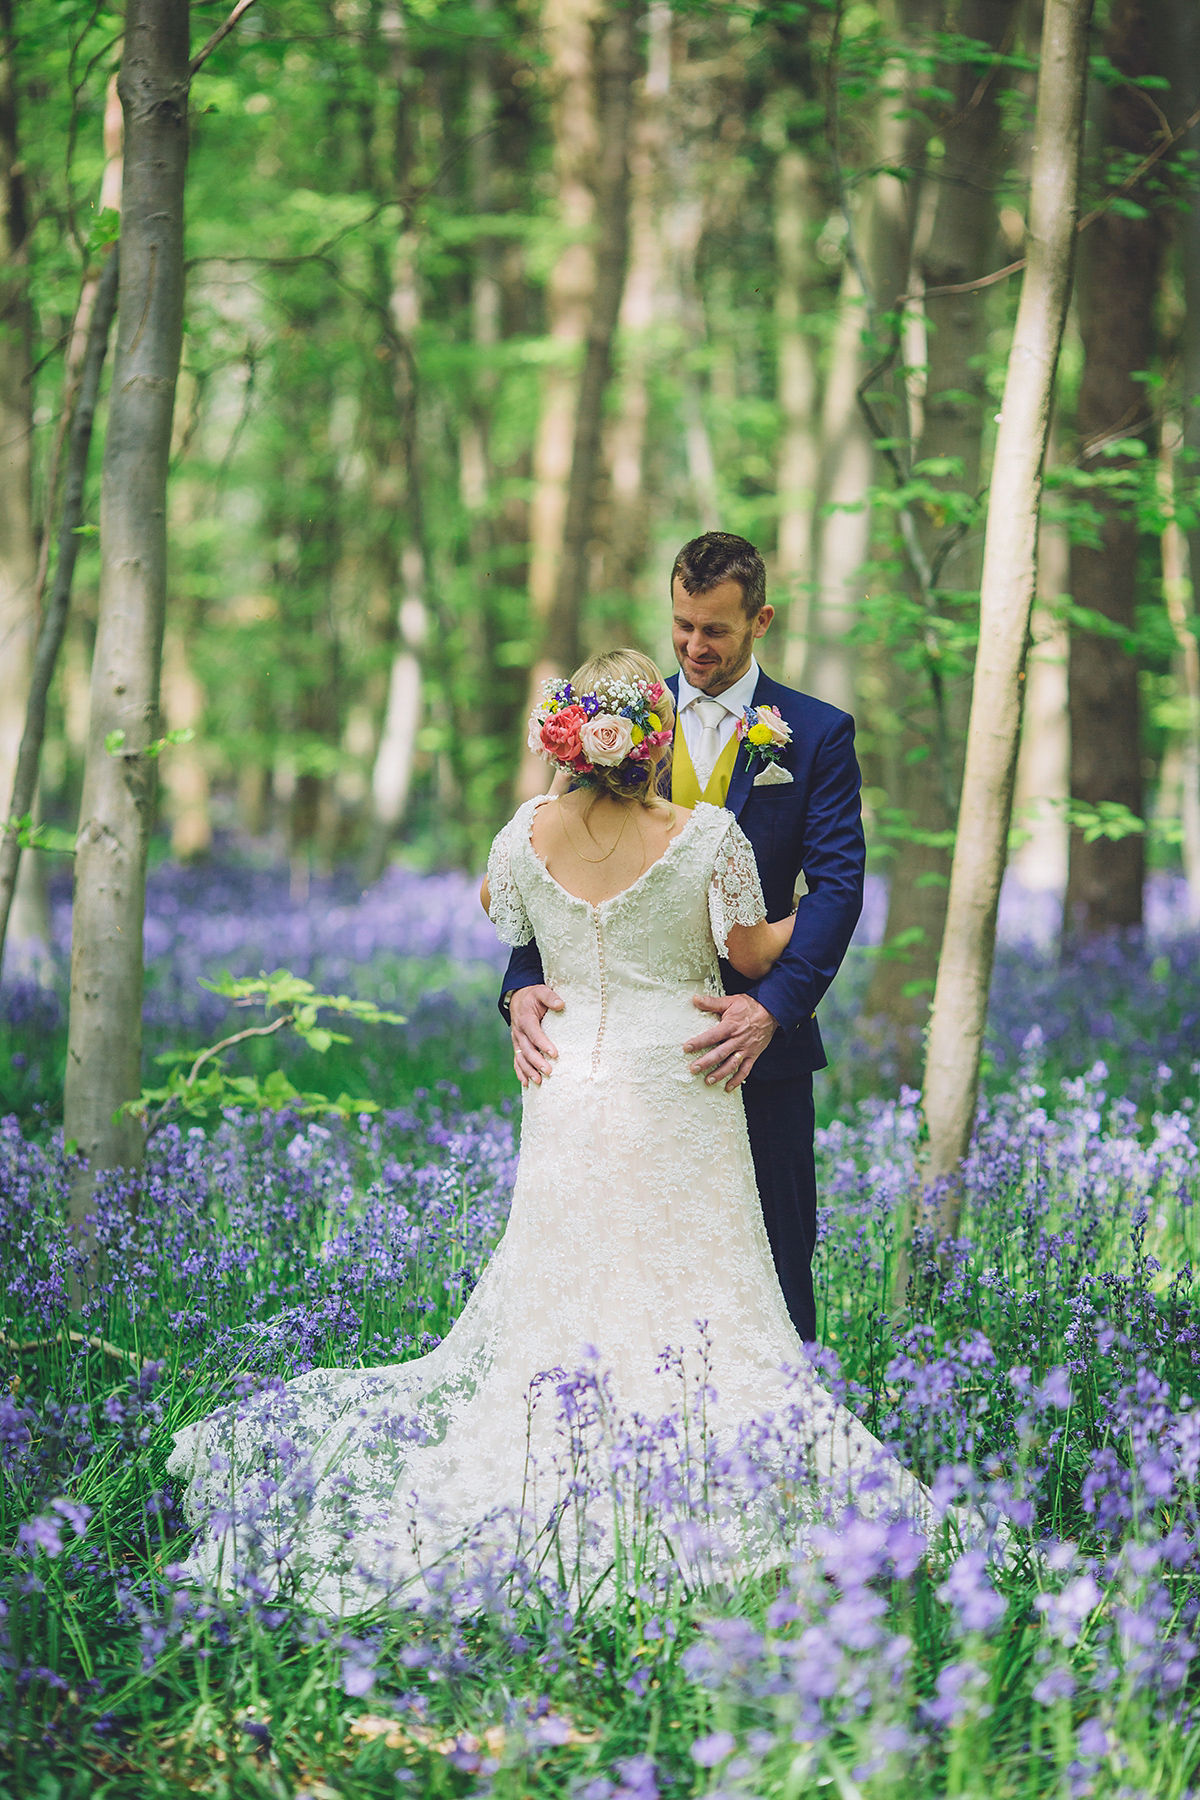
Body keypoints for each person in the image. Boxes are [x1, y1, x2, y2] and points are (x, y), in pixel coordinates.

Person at [167, 647, 921, 1614]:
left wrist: (550, 852)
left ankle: (559, 1446)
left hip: (566, 1083)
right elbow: (752, 950)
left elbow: (503, 910)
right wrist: (809, 908)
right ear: (652, 739)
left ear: (568, 736)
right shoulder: (708, 835)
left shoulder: (524, 836)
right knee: (694, 1275)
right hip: (677, 1078)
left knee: (574, 1269)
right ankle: (700, 1456)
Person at [500, 532, 865, 1344]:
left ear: (760, 619)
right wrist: (521, 983)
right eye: (682, 625)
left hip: (758, 1053)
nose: (695, 647)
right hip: (627, 1068)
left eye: (716, 631)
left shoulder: (816, 733)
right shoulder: (617, 722)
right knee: (619, 1270)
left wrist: (771, 1010)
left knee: (773, 1266)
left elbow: (838, 886)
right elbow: (543, 865)